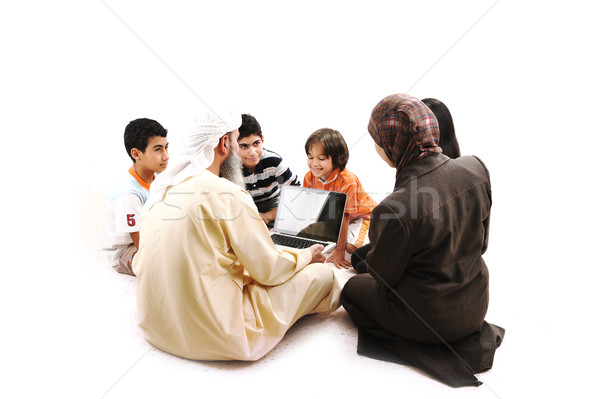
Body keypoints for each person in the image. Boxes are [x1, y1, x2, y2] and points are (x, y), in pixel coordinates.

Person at [133, 111, 341, 361]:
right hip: (220, 335)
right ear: (223, 144)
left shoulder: (161, 191)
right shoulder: (228, 194)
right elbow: (269, 270)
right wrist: (307, 254)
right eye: (236, 142)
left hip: (155, 328)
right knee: (326, 274)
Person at [340, 94, 504, 387]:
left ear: (392, 145)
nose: (376, 147)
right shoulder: (474, 167)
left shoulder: (394, 207)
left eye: (377, 139)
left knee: (351, 288)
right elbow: (482, 245)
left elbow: (382, 277)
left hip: (432, 320)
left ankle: (422, 347)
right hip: (477, 305)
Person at [352, 97, 461, 272]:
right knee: (358, 257)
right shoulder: (421, 163)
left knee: (363, 267)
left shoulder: (432, 170)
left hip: (426, 250)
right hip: (416, 238)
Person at [101, 118, 169, 276]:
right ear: (136, 153)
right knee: (168, 266)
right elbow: (141, 245)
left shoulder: (158, 176)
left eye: (166, 148)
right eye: (158, 149)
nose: (166, 156)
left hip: (151, 235)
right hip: (126, 250)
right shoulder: (128, 193)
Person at [303, 128, 377, 269]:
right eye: (310, 157)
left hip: (363, 216)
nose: (314, 164)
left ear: (337, 159)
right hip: (334, 217)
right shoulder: (309, 177)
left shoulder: (347, 180)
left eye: (321, 159)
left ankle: (375, 240)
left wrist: (339, 252)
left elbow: (345, 216)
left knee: (350, 248)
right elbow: (311, 208)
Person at [237, 114, 300, 226]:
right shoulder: (231, 167)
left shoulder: (273, 163)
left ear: (262, 140)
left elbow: (296, 195)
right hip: (243, 212)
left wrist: (268, 216)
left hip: (273, 209)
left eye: (256, 143)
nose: (252, 152)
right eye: (244, 146)